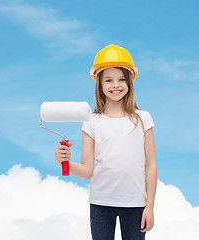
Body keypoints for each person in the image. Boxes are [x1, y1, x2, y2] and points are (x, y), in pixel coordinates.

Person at [55, 44, 157, 240]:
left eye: (121, 79)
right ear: (99, 85)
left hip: (135, 204)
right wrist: (65, 162)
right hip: (101, 203)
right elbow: (87, 171)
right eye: (108, 80)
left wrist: (149, 206)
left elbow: (150, 165)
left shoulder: (143, 118)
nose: (115, 85)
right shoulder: (91, 122)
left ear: (130, 82)